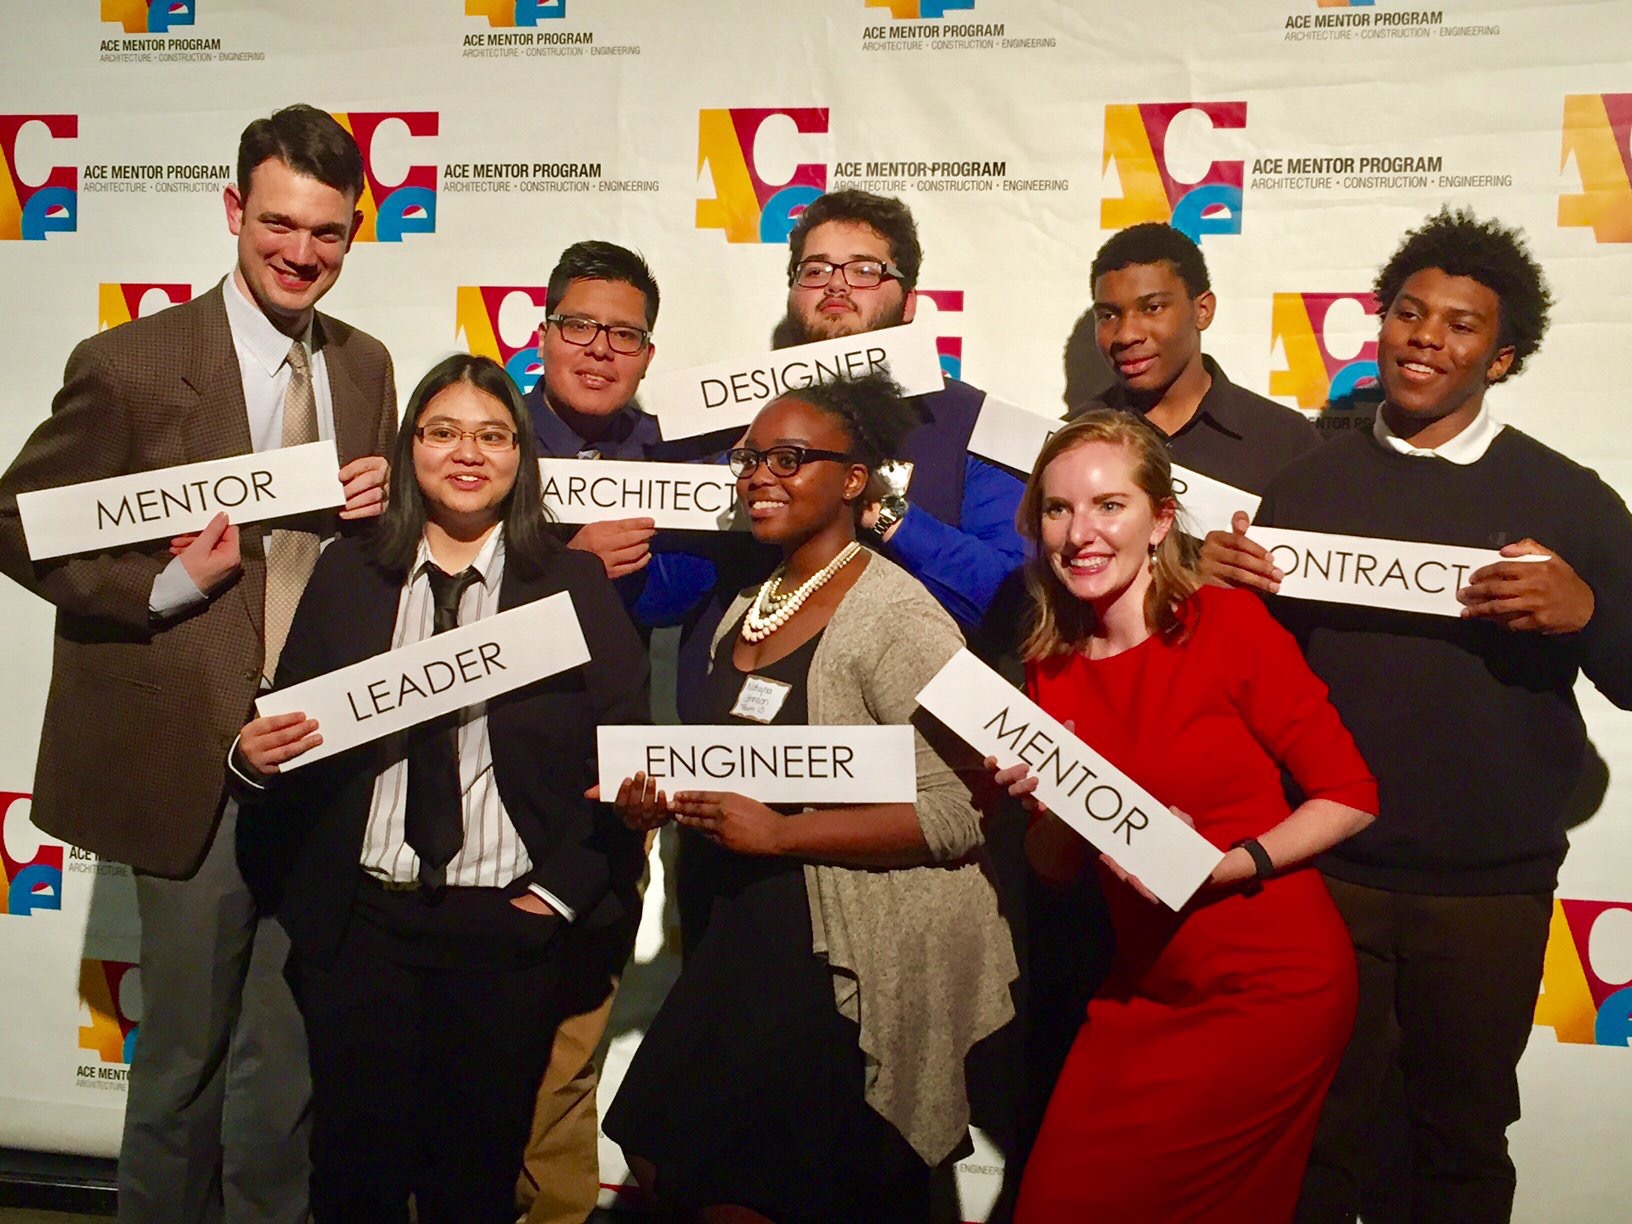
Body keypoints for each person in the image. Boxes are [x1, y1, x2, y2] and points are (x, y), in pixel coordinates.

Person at [0, 104, 395, 1223]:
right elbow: (17, 522)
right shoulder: (131, 363)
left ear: (352, 232)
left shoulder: (365, 365)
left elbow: (358, 560)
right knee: (182, 1064)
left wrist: (384, 510)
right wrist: (165, 585)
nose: (301, 252)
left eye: (327, 231)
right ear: (234, 211)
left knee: (287, 1061)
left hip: (317, 754)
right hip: (189, 760)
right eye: (279, 223)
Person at [1201, 209, 1632, 1224]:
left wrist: (1589, 614)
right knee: (1314, 1138)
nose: (1425, 336)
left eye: (1460, 324)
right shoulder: (1305, 486)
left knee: (1456, 1146)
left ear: (1503, 357)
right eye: (1408, 311)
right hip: (1325, 877)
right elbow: (1253, 685)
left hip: (1487, 895)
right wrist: (1218, 596)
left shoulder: (1569, 499)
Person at [232, 353, 647, 1223]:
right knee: (354, 1177)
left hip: (506, 932)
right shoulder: (348, 573)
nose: (468, 452)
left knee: (475, 1183)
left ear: (520, 457)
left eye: (493, 436)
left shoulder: (571, 583)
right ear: (410, 446)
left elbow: (626, 756)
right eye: (444, 431)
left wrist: (553, 900)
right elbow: (293, 729)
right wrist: (252, 759)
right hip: (364, 930)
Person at [600, 374, 1018, 1223]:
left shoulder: (896, 616)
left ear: (855, 480)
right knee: (670, 1159)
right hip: (738, 937)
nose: (761, 475)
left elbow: (959, 813)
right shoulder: (745, 606)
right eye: (751, 458)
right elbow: (745, 771)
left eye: (790, 458)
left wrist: (782, 837)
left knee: (752, 1191)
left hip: (836, 958)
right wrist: (662, 803)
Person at [991, 411, 1377, 1221]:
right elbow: (1054, 869)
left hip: (1272, 988)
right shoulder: (1049, 665)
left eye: (1109, 506)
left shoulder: (1226, 625)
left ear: (1161, 520)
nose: (1080, 533)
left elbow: (1350, 795)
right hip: (1146, 987)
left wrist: (1224, 865)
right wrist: (1052, 811)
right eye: (1059, 509)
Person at [515, 238, 667, 1224]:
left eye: (624, 333)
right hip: (473, 785)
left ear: (649, 352)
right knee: (451, 1058)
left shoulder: (680, 456)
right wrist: (565, 566)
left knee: (569, 1058)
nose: (600, 349)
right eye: (580, 326)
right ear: (544, 334)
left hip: (609, 792)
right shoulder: (478, 433)